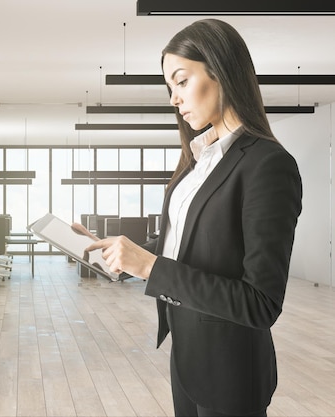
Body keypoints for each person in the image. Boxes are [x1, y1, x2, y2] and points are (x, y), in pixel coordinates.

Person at [85, 19, 302, 417]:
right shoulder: (196, 163)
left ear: (220, 71)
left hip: (231, 369)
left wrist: (151, 266)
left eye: (181, 81)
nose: (174, 99)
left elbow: (261, 303)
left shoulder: (267, 165)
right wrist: (119, 255)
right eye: (170, 88)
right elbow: (188, 245)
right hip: (187, 355)